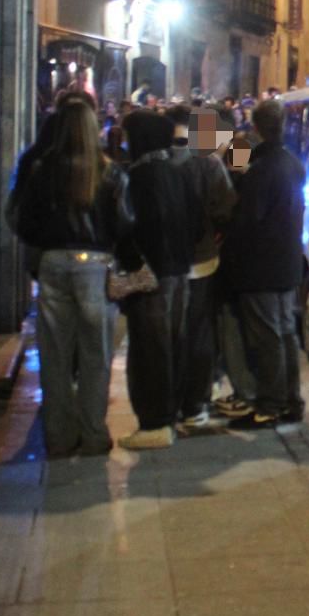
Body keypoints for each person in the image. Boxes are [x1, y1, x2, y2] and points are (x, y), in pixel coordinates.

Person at [15, 100, 133, 458]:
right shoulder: (110, 172)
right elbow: (125, 225)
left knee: (55, 356)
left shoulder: (41, 171)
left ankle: (59, 436)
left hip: (53, 262)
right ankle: (94, 433)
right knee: (96, 354)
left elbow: (25, 223)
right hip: (96, 265)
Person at [116, 110, 205, 449]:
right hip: (180, 272)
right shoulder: (179, 173)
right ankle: (172, 414)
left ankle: (155, 422)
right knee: (173, 344)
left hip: (151, 275)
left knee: (150, 348)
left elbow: (125, 227)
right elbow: (199, 222)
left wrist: (132, 263)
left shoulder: (136, 178)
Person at [222, 100, 308, 429]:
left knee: (268, 338)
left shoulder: (261, 169)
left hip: (262, 267)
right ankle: (291, 400)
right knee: (285, 333)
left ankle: (270, 404)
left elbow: (246, 220)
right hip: (287, 263)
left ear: (255, 128)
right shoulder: (291, 163)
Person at [166, 105, 238, 432]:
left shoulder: (155, 161)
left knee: (171, 334)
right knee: (199, 332)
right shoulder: (211, 161)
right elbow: (229, 207)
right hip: (204, 260)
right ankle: (195, 403)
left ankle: (171, 403)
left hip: (167, 264)